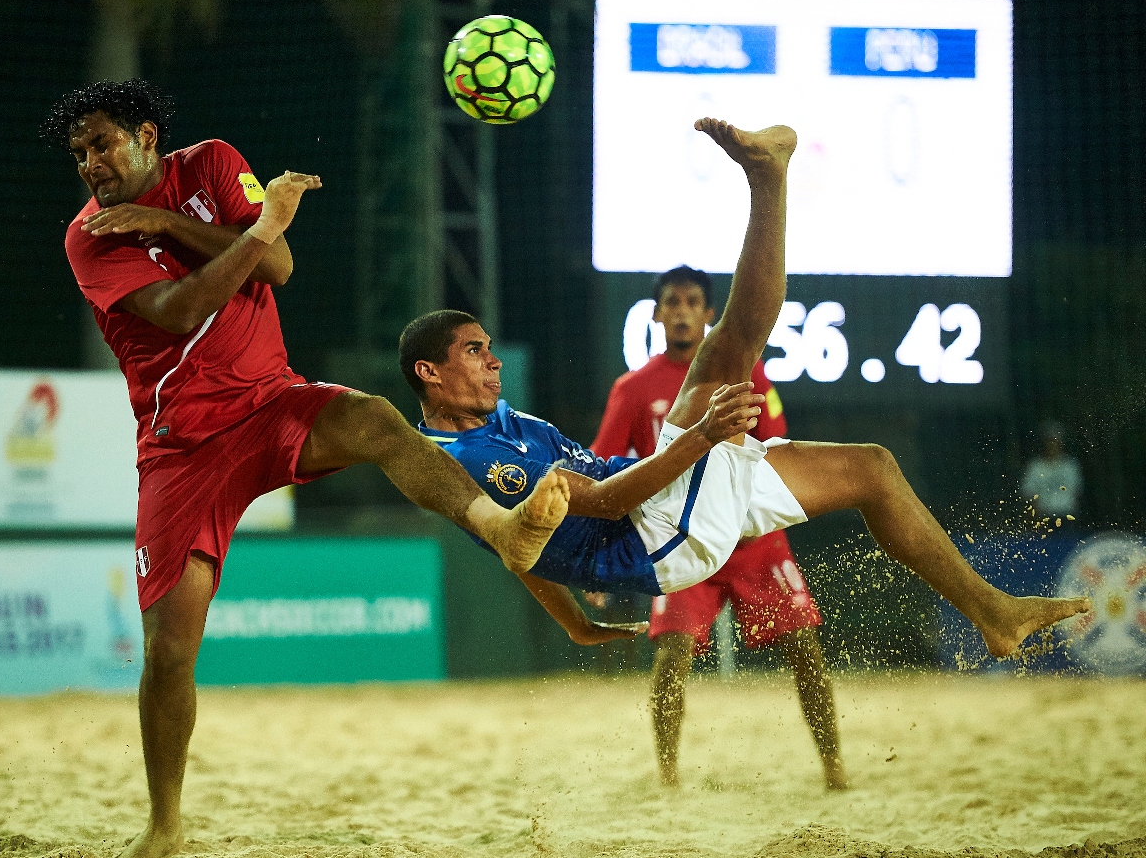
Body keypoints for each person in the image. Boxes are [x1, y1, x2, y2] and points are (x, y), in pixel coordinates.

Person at [42, 79, 575, 858]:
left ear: (147, 135)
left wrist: (180, 222)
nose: (90, 163)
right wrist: (254, 231)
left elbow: (279, 264)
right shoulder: (89, 237)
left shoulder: (214, 163)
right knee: (169, 650)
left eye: (101, 143)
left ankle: (499, 524)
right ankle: (165, 823)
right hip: (182, 446)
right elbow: (183, 309)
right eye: (79, 154)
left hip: (270, 401)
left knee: (374, 417)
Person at [398, 118, 1090, 677]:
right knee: (726, 352)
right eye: (473, 351)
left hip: (661, 510)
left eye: (490, 348)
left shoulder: (493, 422)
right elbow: (603, 502)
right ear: (428, 372)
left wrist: (574, 620)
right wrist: (701, 436)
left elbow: (515, 545)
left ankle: (994, 614)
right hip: (654, 540)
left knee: (873, 466)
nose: (492, 360)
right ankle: (768, 178)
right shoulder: (471, 456)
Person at [589, 266, 845, 789]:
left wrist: (752, 521)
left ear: (710, 314)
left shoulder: (748, 374)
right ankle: (666, 779)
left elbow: (775, 452)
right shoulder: (633, 389)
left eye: (692, 302)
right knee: (672, 654)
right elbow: (604, 469)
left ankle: (836, 772)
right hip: (681, 544)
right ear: (657, 313)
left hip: (752, 538)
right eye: (671, 302)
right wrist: (596, 559)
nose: (681, 310)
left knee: (806, 649)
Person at [1020, 420, 1083, 524]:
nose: (1053, 445)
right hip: (1044, 517)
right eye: (1050, 441)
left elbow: (1077, 493)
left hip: (1067, 517)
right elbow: (1029, 495)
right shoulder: (1035, 467)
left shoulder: (1070, 465)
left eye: (1055, 441)